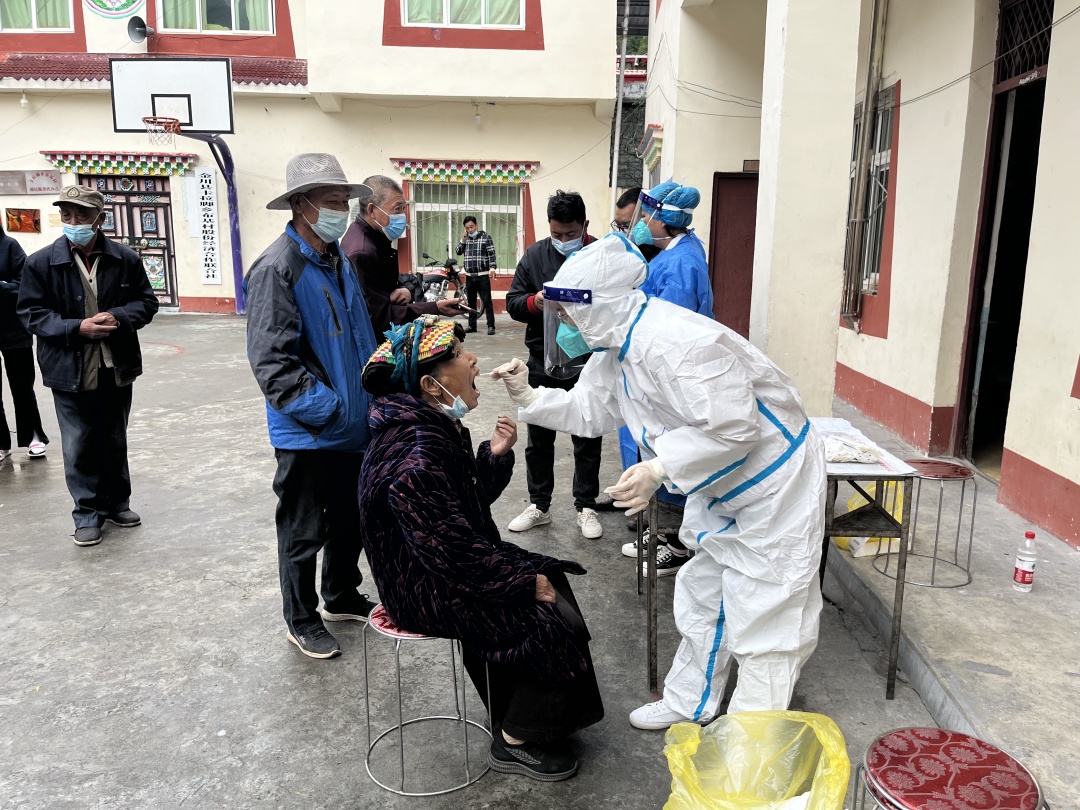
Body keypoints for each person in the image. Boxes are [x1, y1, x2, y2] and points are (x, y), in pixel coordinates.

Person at [493, 235, 826, 731]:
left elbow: (736, 428)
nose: (565, 326)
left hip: (773, 482)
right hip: (721, 481)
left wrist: (660, 467)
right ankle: (691, 701)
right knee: (703, 596)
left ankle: (751, 744)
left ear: (599, 306)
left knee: (767, 617)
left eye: (569, 314)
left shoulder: (678, 343)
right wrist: (530, 396)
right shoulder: (616, 345)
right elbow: (589, 410)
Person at [358, 315, 603, 782]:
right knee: (541, 615)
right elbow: (452, 551)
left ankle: (528, 718)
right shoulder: (416, 453)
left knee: (551, 581)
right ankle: (516, 740)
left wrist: (493, 455)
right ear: (430, 385)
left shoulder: (433, 426)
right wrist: (521, 583)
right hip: (422, 587)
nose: (472, 359)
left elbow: (462, 508)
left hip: (439, 569)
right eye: (457, 355)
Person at [246, 153, 380, 660]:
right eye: (330, 201)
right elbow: (272, 363)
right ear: (300, 204)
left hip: (353, 425)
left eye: (344, 201)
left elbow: (359, 337)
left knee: (351, 519)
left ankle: (340, 595)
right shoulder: (277, 268)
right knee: (303, 531)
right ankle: (300, 618)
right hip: (310, 431)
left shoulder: (337, 259)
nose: (340, 210)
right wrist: (331, 410)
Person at [18, 186, 158, 546]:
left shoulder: (125, 258)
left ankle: (117, 504)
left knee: (114, 438)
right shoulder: (40, 263)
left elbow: (146, 302)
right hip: (68, 368)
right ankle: (87, 513)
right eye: (67, 215)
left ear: (100, 219)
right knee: (78, 443)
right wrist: (75, 328)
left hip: (115, 364)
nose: (74, 222)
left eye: (82, 215)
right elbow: (31, 313)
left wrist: (119, 316)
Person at [620, 181, 715, 574]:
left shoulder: (680, 264)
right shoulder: (677, 251)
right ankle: (661, 532)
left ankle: (675, 544)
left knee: (669, 453)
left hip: (671, 376)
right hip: (660, 374)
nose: (642, 222)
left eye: (646, 215)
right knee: (655, 450)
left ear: (664, 220)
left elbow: (670, 332)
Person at [504, 190, 605, 540]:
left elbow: (620, 301)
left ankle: (586, 505)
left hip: (588, 362)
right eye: (556, 234)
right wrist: (536, 301)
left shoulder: (601, 256)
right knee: (539, 437)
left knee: (587, 434)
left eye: (570, 233)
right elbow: (513, 301)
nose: (563, 240)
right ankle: (539, 505)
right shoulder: (535, 256)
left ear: (585, 225)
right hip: (542, 361)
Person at [341, 175, 466, 335]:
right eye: (397, 209)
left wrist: (406, 289)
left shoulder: (373, 237)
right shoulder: (362, 252)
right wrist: (436, 307)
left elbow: (387, 284)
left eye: (403, 209)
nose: (402, 216)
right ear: (372, 210)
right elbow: (381, 317)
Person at [1, 222, 48, 462]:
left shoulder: (9, 246)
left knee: (22, 386)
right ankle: (1, 443)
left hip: (14, 328)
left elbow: (24, 284)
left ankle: (33, 437)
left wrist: (2, 287)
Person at [455, 215, 497, 335]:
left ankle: (491, 326)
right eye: (467, 228)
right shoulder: (466, 239)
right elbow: (458, 251)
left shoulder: (486, 237)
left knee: (487, 301)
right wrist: (462, 240)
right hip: (469, 276)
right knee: (471, 302)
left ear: (476, 225)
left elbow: (491, 254)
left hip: (482, 275)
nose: (470, 230)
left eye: (472, 227)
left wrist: (492, 268)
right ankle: (472, 325)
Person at [611, 187, 661, 262]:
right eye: (618, 225)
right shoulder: (619, 249)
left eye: (627, 226)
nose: (621, 231)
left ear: (646, 218)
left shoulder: (656, 255)